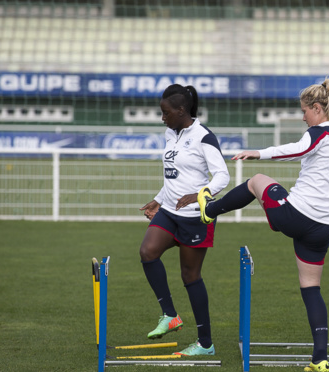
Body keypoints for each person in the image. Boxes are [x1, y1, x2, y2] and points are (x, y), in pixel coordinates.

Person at [196, 78, 329, 372]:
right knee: (311, 288)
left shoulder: (319, 133)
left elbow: (296, 150)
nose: (303, 117)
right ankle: (320, 359)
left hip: (296, 216)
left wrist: (258, 152)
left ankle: (210, 210)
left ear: (317, 109)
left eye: (304, 111)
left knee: (257, 180)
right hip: (322, 228)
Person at [138, 84, 230, 356]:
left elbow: (222, 177)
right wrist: (158, 198)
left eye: (166, 113)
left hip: (195, 217)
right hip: (169, 210)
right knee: (147, 252)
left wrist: (200, 194)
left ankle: (205, 344)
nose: (162, 118)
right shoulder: (170, 133)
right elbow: (173, 175)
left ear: (181, 110)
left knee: (190, 277)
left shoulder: (204, 137)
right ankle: (169, 315)